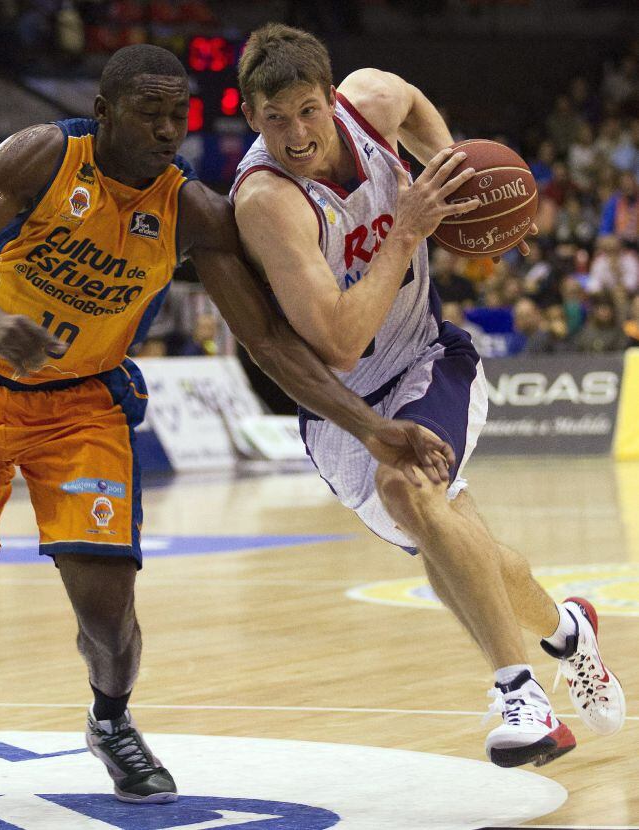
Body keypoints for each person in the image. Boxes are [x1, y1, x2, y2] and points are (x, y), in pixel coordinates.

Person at [0, 43, 453, 804]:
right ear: (102, 113)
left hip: (81, 408)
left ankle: (111, 720)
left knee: (109, 617)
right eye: (146, 112)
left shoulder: (193, 210)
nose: (165, 130)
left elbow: (269, 342)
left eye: (175, 115)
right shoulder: (43, 158)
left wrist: (369, 428)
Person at [231, 23, 625, 768]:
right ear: (251, 116)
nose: (296, 134)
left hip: (425, 359)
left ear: (330, 95)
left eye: (308, 110)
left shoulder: (370, 100)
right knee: (453, 537)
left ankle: (521, 697)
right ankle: (569, 632)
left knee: (408, 485)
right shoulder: (269, 202)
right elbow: (340, 340)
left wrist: (450, 174)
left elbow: (411, 105)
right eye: (274, 118)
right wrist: (407, 231)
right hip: (340, 405)